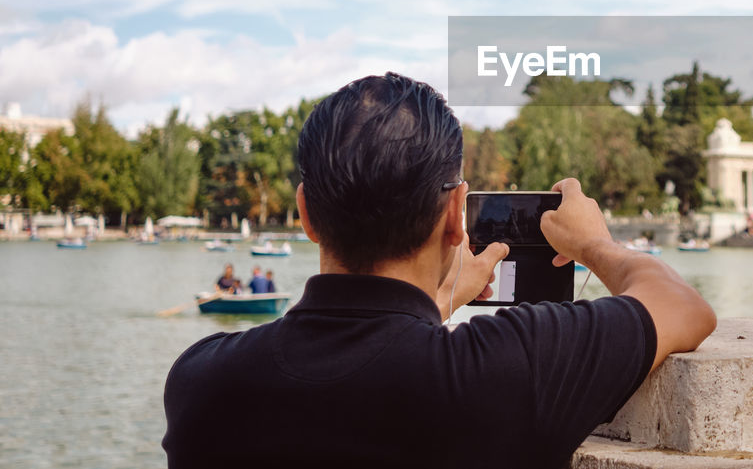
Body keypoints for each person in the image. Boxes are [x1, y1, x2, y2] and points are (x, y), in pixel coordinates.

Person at [163, 72, 715, 469]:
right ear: (457, 215)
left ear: (306, 214)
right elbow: (684, 308)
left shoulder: (201, 381)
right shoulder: (510, 365)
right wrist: (596, 245)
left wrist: (440, 301)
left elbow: (359, 367)